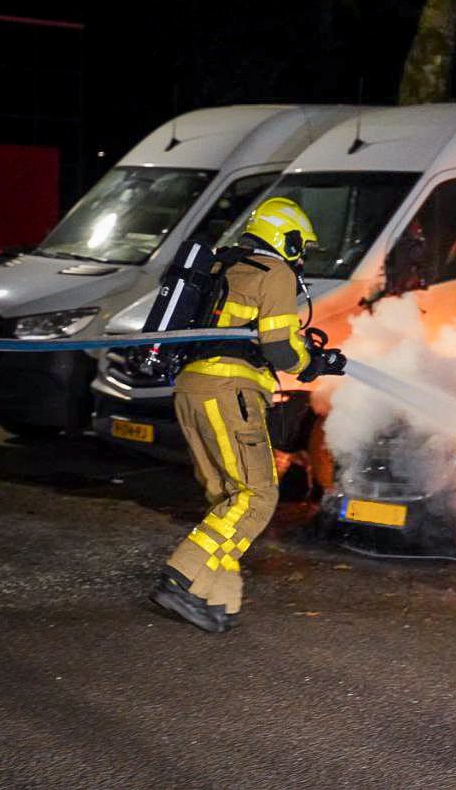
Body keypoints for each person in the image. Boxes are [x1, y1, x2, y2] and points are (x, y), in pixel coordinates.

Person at [150, 197, 346, 633]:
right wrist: (316, 364)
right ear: (287, 238)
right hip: (230, 390)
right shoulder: (273, 272)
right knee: (257, 495)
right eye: (301, 246)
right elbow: (279, 346)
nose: (301, 256)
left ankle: (215, 599)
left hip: (192, 389)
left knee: (228, 499)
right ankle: (181, 576)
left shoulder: (222, 266)